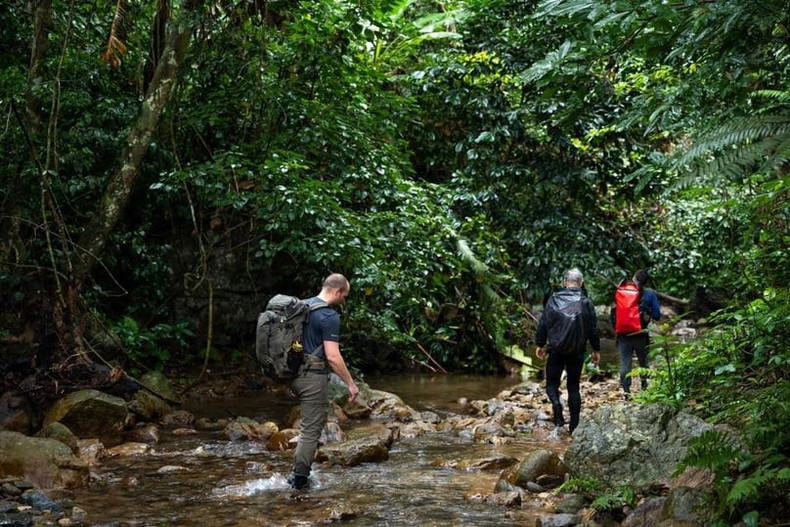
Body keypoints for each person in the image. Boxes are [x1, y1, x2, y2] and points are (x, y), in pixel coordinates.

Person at [288, 273, 359, 490]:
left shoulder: (302, 306)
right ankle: (299, 480)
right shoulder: (329, 316)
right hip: (312, 376)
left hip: (293, 373)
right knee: (311, 429)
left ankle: (299, 476)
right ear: (337, 291)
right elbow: (332, 356)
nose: (343, 300)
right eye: (344, 295)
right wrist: (350, 383)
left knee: (308, 426)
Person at [534, 268, 601, 433]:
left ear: (565, 282)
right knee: (573, 387)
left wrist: (540, 344)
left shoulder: (554, 300)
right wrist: (596, 350)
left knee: (551, 383)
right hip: (576, 352)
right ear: (581, 283)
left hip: (555, 350)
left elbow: (543, 324)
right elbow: (593, 329)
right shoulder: (586, 302)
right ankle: (574, 426)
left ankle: (556, 404)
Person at [616, 269, 661, 398]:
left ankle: (626, 392)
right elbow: (657, 315)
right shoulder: (649, 295)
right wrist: (647, 311)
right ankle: (644, 387)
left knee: (625, 364)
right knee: (643, 361)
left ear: (634, 279)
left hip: (623, 335)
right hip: (641, 334)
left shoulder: (623, 292)